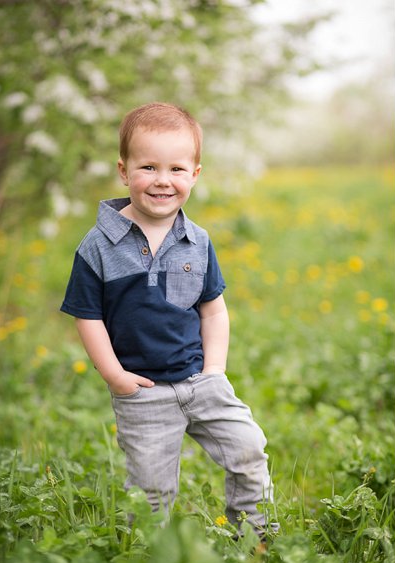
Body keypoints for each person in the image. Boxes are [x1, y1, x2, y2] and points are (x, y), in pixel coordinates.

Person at [61, 102, 274, 537]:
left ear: (195, 175)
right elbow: (88, 317)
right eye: (148, 167)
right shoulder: (98, 245)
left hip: (200, 381)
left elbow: (213, 309)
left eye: (177, 169)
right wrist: (115, 375)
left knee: (249, 449)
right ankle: (147, 555)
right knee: (151, 489)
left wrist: (214, 371)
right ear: (124, 171)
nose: (162, 180)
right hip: (143, 392)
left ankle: (256, 537)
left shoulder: (198, 241)